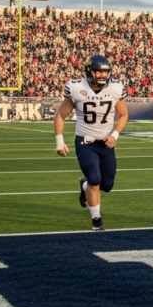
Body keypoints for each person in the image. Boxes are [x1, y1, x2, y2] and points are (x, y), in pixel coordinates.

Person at [53, 54, 128, 231]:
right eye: (98, 72)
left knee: (107, 185)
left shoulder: (116, 87)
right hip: (85, 142)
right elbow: (60, 115)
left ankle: (84, 186)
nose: (103, 75)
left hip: (106, 143)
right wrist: (60, 141)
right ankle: (96, 220)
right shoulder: (77, 87)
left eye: (105, 72)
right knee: (95, 179)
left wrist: (115, 135)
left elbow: (123, 114)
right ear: (89, 72)